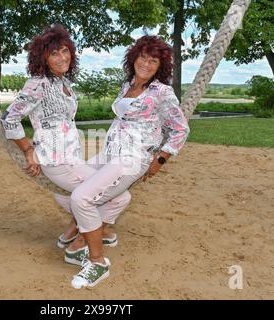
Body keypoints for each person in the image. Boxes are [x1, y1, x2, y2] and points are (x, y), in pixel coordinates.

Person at [0, 24, 131, 283]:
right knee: (118, 197)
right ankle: (77, 247)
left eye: (65, 51)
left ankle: (74, 231)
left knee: (93, 196)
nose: (62, 58)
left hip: (70, 157)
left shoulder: (63, 81)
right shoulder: (38, 84)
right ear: (43, 58)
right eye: (54, 54)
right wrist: (28, 150)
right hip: (58, 160)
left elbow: (54, 121)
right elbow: (10, 119)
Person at [62, 35, 190, 289]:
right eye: (143, 57)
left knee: (81, 197)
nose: (146, 63)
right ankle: (100, 231)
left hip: (132, 158)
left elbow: (180, 129)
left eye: (153, 60)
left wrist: (160, 159)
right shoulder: (128, 84)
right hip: (110, 153)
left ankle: (94, 258)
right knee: (67, 184)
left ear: (160, 66)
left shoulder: (162, 92)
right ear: (134, 57)